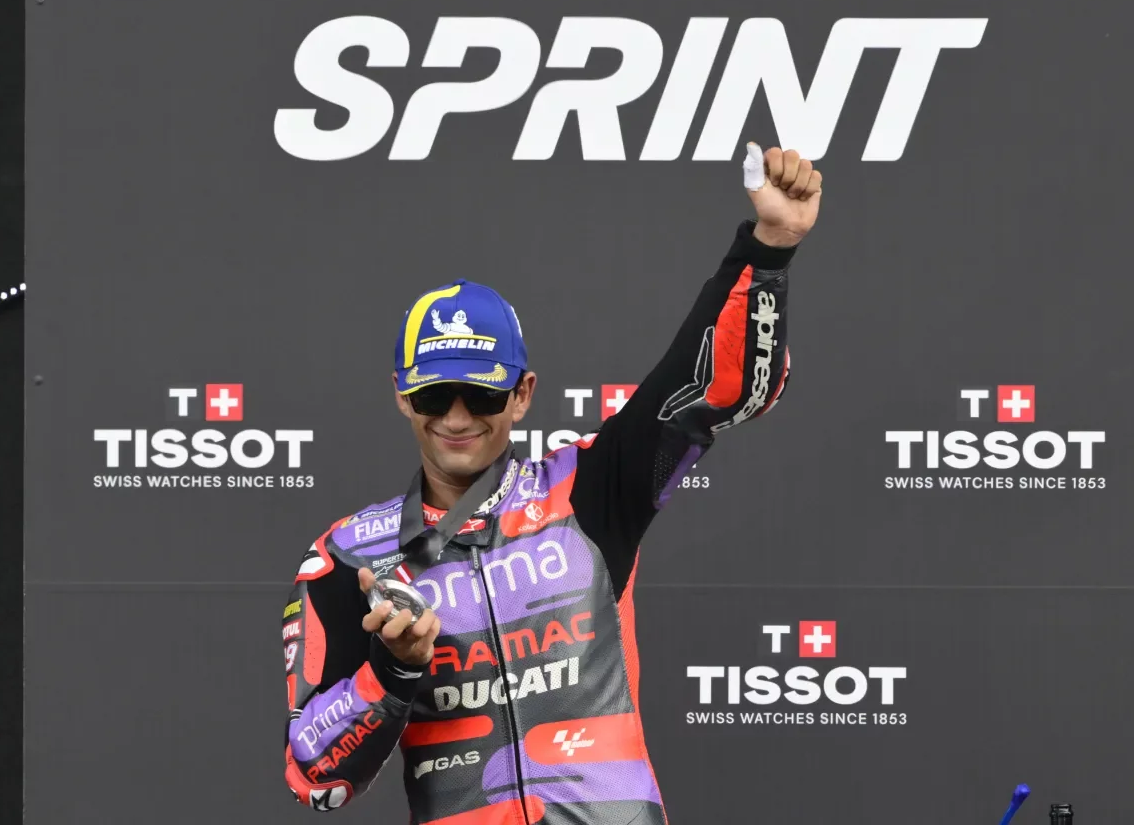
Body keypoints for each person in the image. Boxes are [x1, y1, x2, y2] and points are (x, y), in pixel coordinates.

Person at [281, 146, 823, 820]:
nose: (456, 419)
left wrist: (769, 248)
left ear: (522, 395)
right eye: (434, 395)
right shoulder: (349, 557)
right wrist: (391, 670)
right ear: (402, 396)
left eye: (482, 395)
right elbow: (313, 777)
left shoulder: (589, 488)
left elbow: (713, 386)